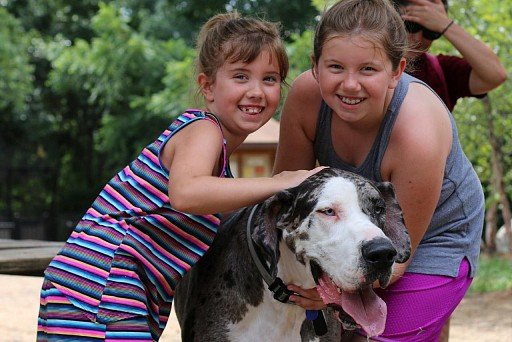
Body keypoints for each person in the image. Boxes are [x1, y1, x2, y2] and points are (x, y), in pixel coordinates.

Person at [37, 12, 322, 341]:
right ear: (208, 86)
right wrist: (282, 180)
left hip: (92, 283)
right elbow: (185, 193)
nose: (257, 91)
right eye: (241, 76)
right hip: (105, 280)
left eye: (269, 79)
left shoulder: (220, 167)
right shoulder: (203, 129)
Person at [274, 0, 484, 340]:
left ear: (397, 70)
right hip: (353, 228)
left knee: (376, 335)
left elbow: (399, 256)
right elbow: (286, 199)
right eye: (336, 67)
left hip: (431, 236)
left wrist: (334, 290)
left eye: (368, 69)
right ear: (315, 66)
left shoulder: (416, 131)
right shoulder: (305, 98)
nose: (350, 85)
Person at [393, 0, 507, 111]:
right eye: (411, 25)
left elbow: (496, 75)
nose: (418, 38)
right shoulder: (376, 64)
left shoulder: (442, 71)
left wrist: (446, 24)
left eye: (430, 32)